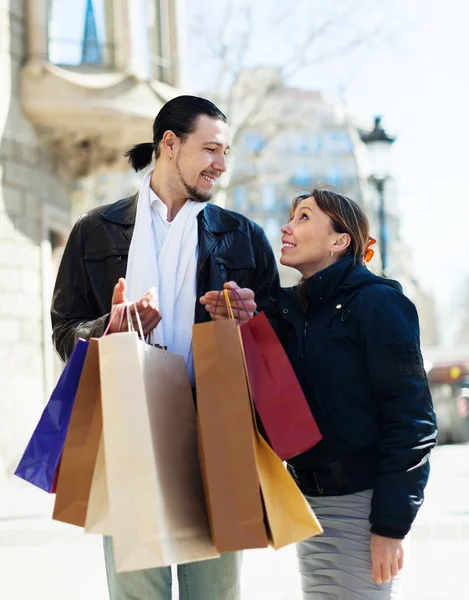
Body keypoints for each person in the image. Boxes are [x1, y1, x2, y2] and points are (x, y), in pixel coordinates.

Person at [51, 95, 279, 600]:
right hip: (129, 430)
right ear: (169, 145)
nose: (221, 164)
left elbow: (278, 342)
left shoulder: (243, 238)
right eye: (211, 149)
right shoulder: (94, 232)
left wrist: (250, 319)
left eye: (226, 152)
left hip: (218, 429)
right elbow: (64, 332)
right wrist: (108, 328)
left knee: (215, 594)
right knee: (137, 594)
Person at [201, 188, 437, 599]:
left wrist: (390, 526)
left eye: (304, 217)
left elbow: (412, 422)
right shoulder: (289, 310)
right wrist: (245, 320)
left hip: (363, 508)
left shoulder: (379, 304)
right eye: (291, 216)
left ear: (339, 241)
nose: (286, 227)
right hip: (310, 503)